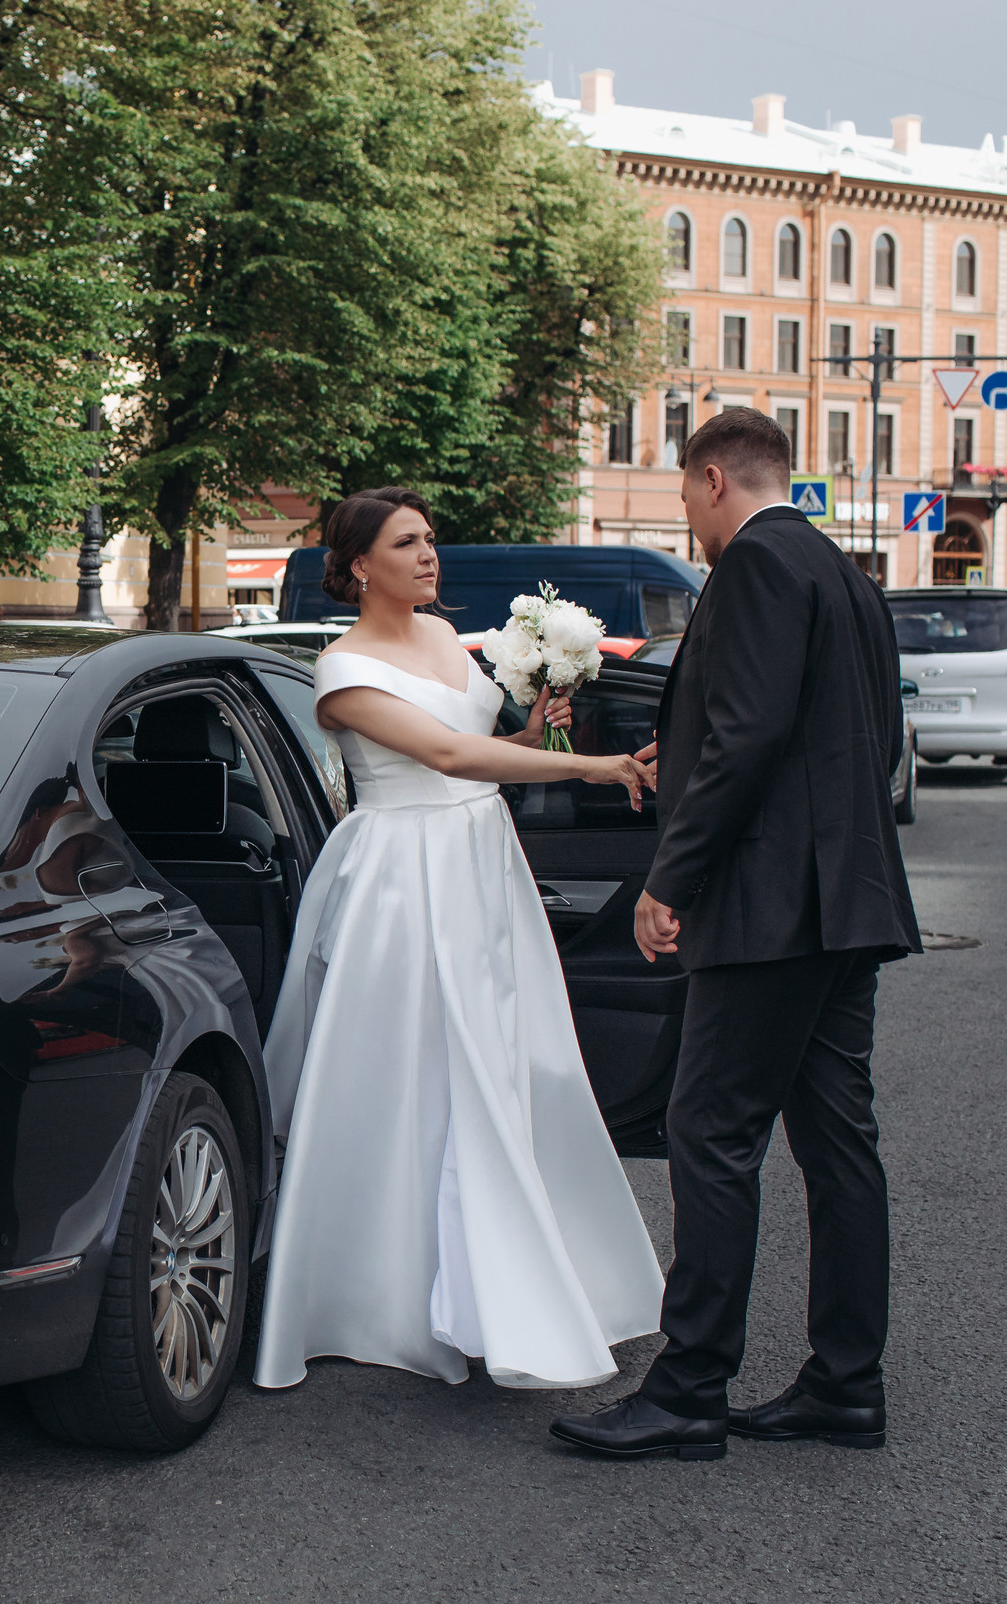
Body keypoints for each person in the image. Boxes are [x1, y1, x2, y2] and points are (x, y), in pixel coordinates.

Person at [551, 408, 920, 1462]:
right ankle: (846, 1385)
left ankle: (689, 1389)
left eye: (682, 500)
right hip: (846, 899)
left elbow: (744, 735)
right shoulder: (842, 572)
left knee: (709, 1134)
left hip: (768, 908)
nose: (689, 524)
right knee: (839, 1144)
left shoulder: (754, 566)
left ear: (713, 479)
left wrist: (672, 877)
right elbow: (876, 732)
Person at [255, 488, 665, 1397]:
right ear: (361, 565)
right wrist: (588, 764)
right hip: (405, 877)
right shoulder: (341, 669)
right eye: (408, 543)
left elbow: (491, 746)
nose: (429, 554)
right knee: (415, 1077)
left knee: (509, 1061)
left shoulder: (447, 639)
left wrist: (542, 724)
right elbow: (446, 757)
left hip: (484, 863)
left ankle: (500, 1281)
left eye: (431, 539)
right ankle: (388, 1294)